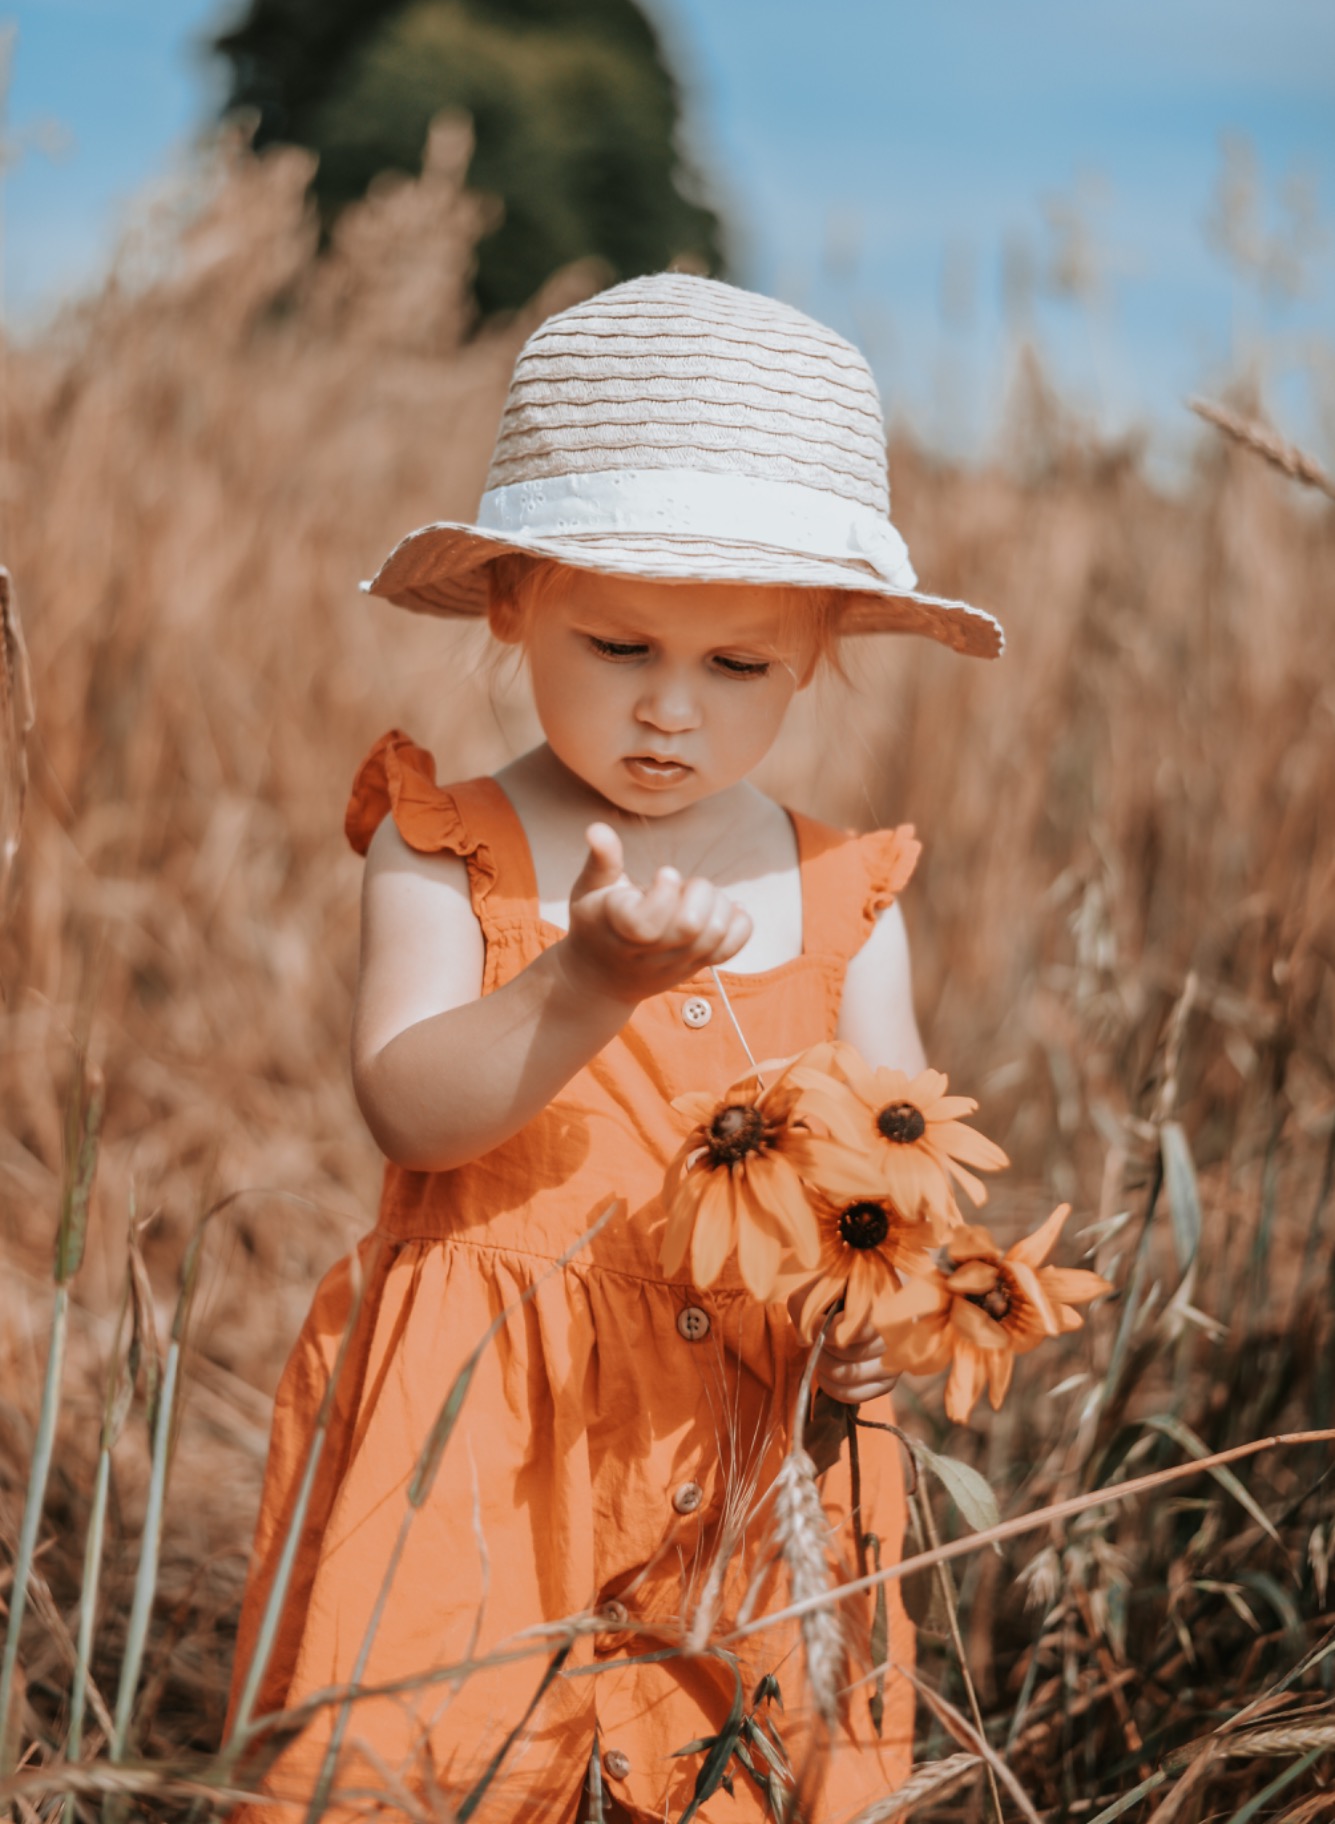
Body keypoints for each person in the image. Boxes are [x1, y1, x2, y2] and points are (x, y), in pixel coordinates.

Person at [227, 273, 1004, 1822]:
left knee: (740, 1776)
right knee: (447, 1767)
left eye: (738, 668)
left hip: (767, 1442)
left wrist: (892, 1313)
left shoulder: (843, 891)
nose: (670, 712)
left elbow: (905, 1165)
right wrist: (583, 980)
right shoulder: (452, 847)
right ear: (513, 600)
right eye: (617, 644)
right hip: (489, 1436)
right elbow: (411, 1113)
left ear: (819, 651)